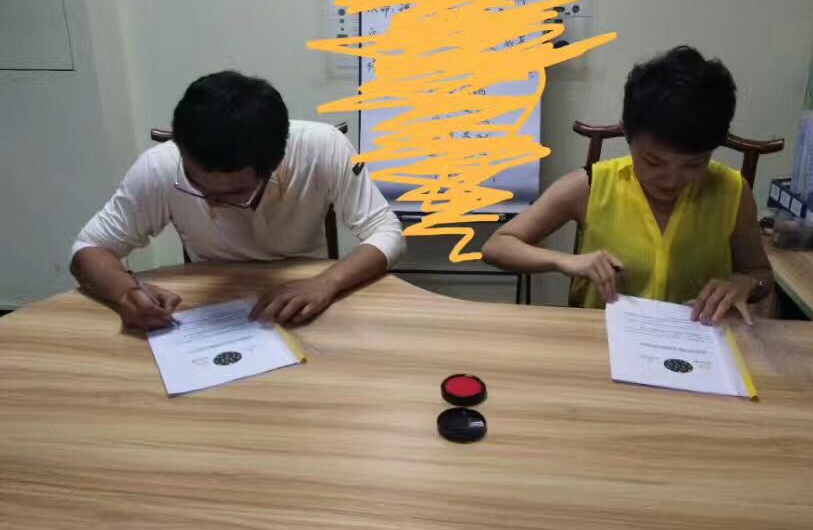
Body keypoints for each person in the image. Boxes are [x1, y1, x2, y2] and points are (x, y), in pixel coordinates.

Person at [71, 71, 405, 331]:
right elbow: (88, 249)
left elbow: (386, 231)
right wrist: (124, 292)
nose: (212, 203)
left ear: (275, 164)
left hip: (304, 294)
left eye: (233, 194)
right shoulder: (160, 167)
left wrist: (326, 283)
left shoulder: (322, 148)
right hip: (209, 303)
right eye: (197, 186)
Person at [482, 45, 773, 325]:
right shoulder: (591, 186)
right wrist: (564, 261)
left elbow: (761, 275)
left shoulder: (732, 192)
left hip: (695, 346)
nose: (672, 180)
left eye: (694, 164)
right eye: (653, 162)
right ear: (627, 133)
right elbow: (498, 246)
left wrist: (744, 283)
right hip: (601, 341)